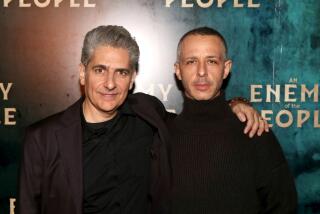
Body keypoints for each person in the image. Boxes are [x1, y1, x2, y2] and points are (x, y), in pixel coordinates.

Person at [18, 25, 267, 214]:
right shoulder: (43, 138)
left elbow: (196, 122)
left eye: (121, 72)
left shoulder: (147, 114)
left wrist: (235, 105)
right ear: (83, 73)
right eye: (100, 70)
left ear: (132, 77)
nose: (110, 83)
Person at [167, 27, 297, 213]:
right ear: (178, 70)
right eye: (191, 61)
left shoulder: (254, 132)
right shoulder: (161, 136)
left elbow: (284, 207)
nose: (201, 71)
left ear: (226, 68)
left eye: (211, 61)